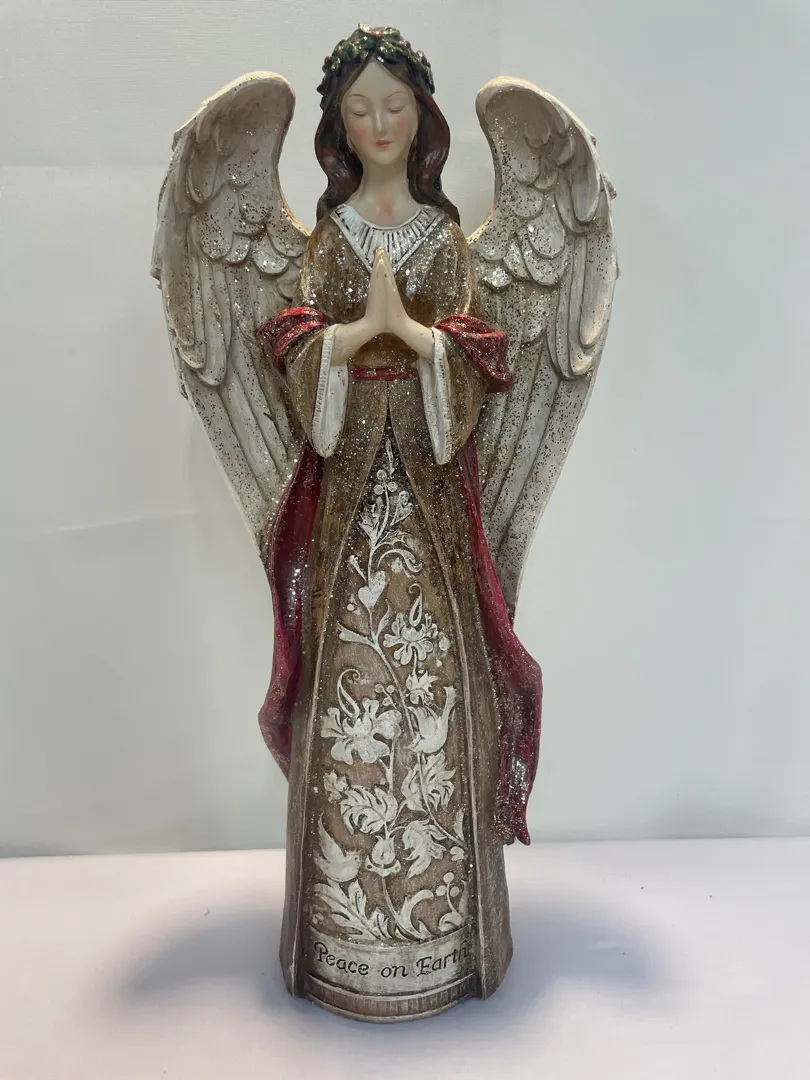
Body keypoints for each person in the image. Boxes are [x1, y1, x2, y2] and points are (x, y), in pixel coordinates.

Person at [257, 26, 542, 1022]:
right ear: (337, 128)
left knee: (437, 675)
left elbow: (475, 364)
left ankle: (449, 932)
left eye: (396, 106)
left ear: (422, 117)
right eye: (360, 111)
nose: (380, 125)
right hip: (347, 497)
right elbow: (297, 361)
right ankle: (338, 938)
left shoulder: (444, 240)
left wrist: (413, 336)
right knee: (344, 676)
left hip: (428, 488)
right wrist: (349, 339)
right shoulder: (330, 239)